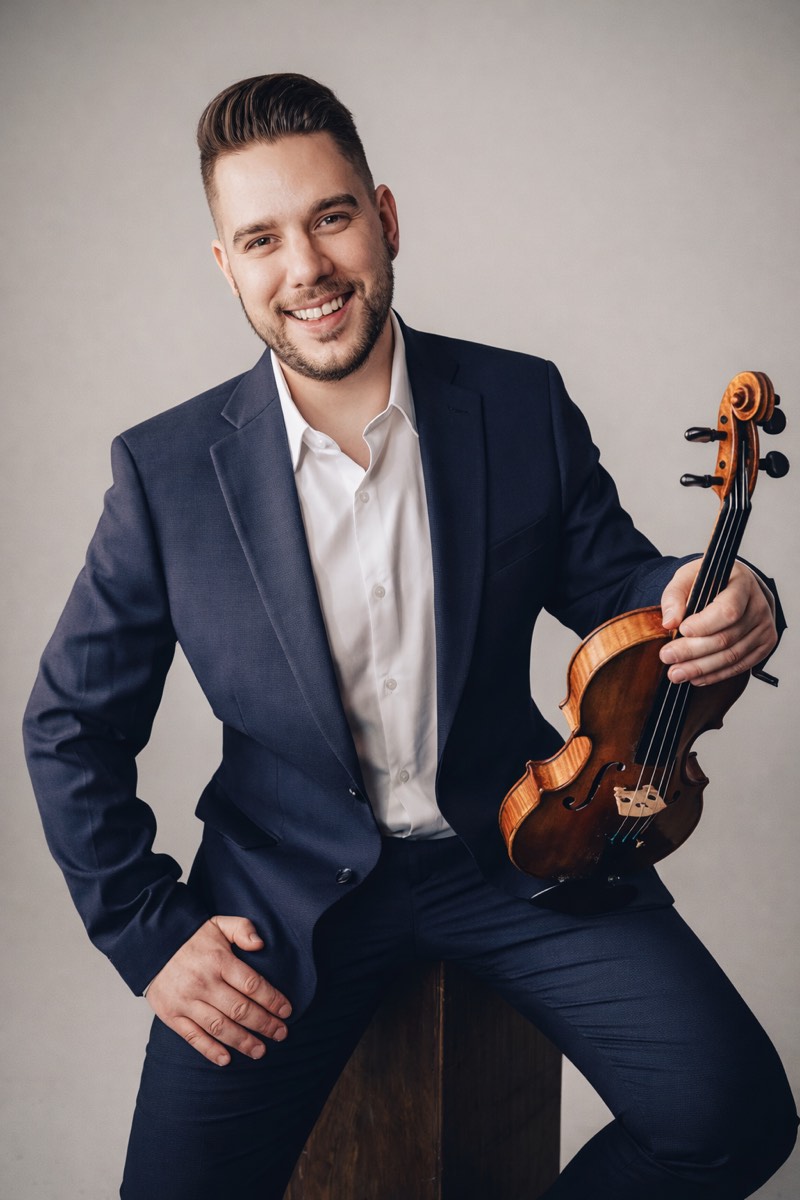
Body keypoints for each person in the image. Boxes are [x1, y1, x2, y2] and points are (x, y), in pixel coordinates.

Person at [23, 73, 796, 1199]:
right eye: (261, 239)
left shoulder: (516, 400)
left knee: (733, 1118)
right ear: (226, 266)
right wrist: (147, 931)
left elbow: (622, 581)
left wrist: (729, 591)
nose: (306, 269)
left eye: (330, 217)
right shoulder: (165, 472)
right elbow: (68, 726)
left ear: (383, 217)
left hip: (523, 848)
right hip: (279, 897)